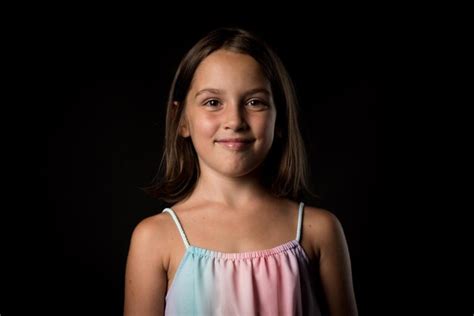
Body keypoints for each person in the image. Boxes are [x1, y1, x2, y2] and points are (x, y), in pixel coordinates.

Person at [124, 27, 358, 316]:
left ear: (280, 119)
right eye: (213, 102)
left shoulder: (319, 231)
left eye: (254, 102)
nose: (234, 120)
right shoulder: (155, 238)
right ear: (181, 120)